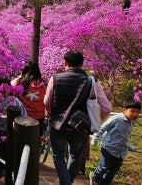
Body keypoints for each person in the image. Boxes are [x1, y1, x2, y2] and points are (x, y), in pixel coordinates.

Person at [43, 50, 112, 185]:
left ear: (65, 63)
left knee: (57, 155)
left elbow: (46, 102)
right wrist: (95, 121)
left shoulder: (55, 78)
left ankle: (66, 182)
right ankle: (67, 182)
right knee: (76, 156)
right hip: (80, 126)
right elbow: (107, 107)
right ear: (82, 64)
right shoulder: (91, 81)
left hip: (58, 124)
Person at [90, 99, 142, 185]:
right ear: (124, 110)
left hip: (120, 152)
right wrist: (95, 139)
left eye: (137, 112)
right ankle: (95, 178)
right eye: (132, 111)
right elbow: (102, 128)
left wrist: (131, 147)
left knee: (112, 171)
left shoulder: (130, 123)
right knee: (104, 167)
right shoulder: (116, 119)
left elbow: (124, 139)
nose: (135, 114)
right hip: (108, 149)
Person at [0, 77, 27, 184]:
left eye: (6, 88)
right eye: (1, 88)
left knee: (8, 154)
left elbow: (24, 115)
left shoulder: (15, 101)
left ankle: (6, 172)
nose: (4, 91)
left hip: (11, 132)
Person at [11, 61, 47, 136]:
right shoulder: (44, 84)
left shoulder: (19, 82)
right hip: (39, 117)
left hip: (22, 116)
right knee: (36, 140)